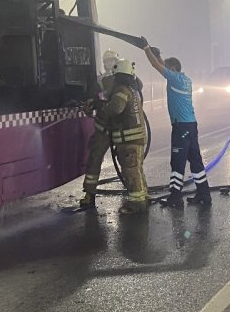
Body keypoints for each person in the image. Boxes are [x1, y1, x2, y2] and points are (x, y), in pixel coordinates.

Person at [143, 43, 212, 207]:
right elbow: (160, 64)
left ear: (173, 69)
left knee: (177, 161)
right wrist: (158, 55)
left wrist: (146, 49)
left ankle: (175, 197)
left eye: (167, 68)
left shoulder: (173, 79)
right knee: (195, 160)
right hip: (191, 125)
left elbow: (155, 65)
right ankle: (204, 194)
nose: (164, 70)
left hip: (181, 127)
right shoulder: (185, 79)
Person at [79, 58, 149, 215]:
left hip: (122, 131)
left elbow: (116, 106)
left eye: (112, 61)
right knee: (96, 158)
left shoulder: (125, 85)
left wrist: (102, 106)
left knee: (131, 166)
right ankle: (90, 194)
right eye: (107, 61)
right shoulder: (101, 81)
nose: (109, 63)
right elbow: (94, 98)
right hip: (105, 129)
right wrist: (94, 104)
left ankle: (138, 200)